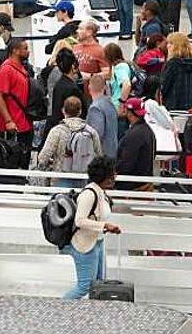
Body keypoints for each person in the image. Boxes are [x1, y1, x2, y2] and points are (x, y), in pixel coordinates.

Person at [62, 156, 122, 299]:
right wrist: (104, 226)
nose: (115, 176)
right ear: (103, 176)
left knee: (99, 286)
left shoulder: (101, 192)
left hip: (97, 243)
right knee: (85, 287)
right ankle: (60, 308)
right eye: (112, 173)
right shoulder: (89, 194)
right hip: (85, 245)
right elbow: (80, 221)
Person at [0, 39, 34, 149]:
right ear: (15, 51)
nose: (28, 52)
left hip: (23, 122)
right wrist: (8, 121)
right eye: (25, 49)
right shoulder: (6, 69)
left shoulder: (20, 68)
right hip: (13, 125)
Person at [116, 98, 156, 189]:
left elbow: (126, 162)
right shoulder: (148, 131)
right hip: (145, 182)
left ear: (129, 112)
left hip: (133, 186)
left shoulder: (133, 135)